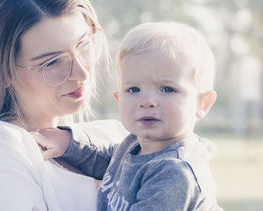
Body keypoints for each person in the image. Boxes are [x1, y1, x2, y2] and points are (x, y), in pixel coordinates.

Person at [0, 0, 127, 211]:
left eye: (83, 45)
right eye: (52, 62)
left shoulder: (117, 137)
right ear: (1, 72)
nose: (81, 73)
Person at [33, 21, 223, 210]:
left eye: (167, 89)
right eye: (133, 89)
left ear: (202, 103)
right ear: (119, 98)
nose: (146, 101)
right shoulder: (134, 145)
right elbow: (106, 159)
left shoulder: (175, 173)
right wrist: (68, 144)